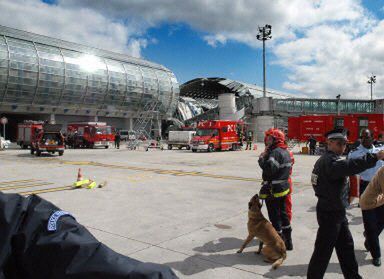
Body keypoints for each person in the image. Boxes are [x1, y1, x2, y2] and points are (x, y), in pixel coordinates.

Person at [307, 128, 384, 279]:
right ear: (329, 143)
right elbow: (351, 165)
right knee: (322, 253)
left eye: (344, 143)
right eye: (339, 143)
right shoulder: (330, 162)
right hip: (330, 214)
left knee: (346, 248)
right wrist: (375, 157)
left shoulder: (327, 160)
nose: (343, 147)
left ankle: (353, 276)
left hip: (337, 212)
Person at [348, 129, 384, 266]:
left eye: (367, 137)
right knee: (370, 224)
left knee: (381, 221)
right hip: (366, 189)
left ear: (373, 137)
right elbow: (350, 170)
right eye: (362, 137)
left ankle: (369, 239)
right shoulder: (355, 153)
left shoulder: (381, 150)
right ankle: (376, 255)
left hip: (381, 187)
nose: (364, 139)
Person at [258, 128, 293, 250]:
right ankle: (288, 243)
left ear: (276, 140)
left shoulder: (275, 153)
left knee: (275, 217)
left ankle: (277, 246)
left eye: (270, 138)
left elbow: (269, 170)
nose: (267, 140)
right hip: (283, 188)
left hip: (273, 190)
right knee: (284, 216)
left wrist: (261, 159)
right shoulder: (286, 152)